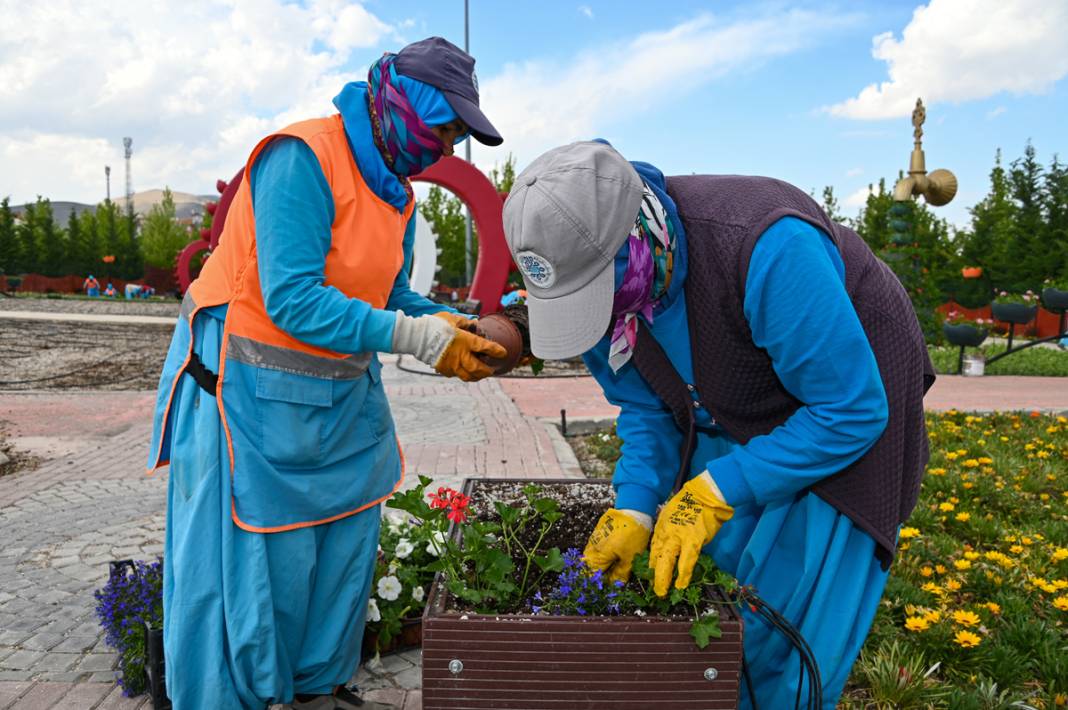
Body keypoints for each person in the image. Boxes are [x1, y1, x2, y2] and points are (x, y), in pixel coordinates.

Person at [502, 141, 933, 709]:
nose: (598, 318)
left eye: (596, 296)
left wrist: (717, 490)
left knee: (789, 618)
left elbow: (850, 410)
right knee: (719, 598)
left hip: (844, 407)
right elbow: (649, 405)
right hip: (731, 397)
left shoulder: (767, 243)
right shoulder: (614, 281)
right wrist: (635, 504)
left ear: (638, 238)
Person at [146, 37, 504, 710]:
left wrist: (448, 322)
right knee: (257, 567)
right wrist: (416, 339)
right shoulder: (302, 158)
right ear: (409, 103)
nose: (448, 150)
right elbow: (293, 297)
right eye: (447, 128)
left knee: (343, 544)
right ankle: (239, 698)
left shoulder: (396, 192)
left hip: (332, 400)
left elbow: (386, 291)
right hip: (243, 391)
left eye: (458, 138)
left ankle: (316, 685)